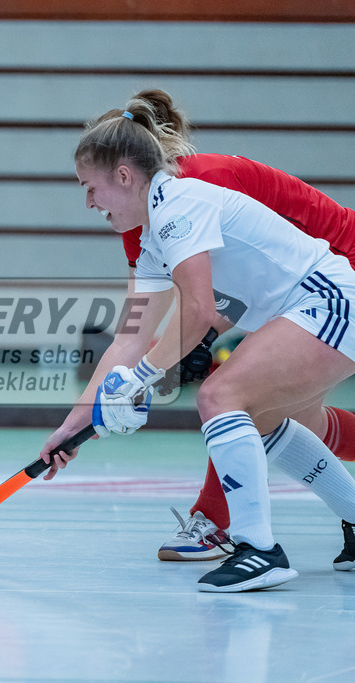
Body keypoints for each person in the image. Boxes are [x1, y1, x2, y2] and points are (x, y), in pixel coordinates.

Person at [40, 94, 355, 592]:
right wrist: (74, 423)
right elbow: (130, 339)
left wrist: (140, 380)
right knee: (262, 418)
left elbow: (200, 311)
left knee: (219, 395)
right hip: (301, 308)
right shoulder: (150, 239)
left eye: (90, 188)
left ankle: (259, 550)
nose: (89, 204)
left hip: (333, 297)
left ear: (124, 176)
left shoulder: (179, 206)